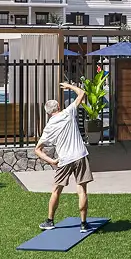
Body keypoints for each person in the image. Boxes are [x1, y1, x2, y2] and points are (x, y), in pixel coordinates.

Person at [34, 81, 93, 230]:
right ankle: (84, 224)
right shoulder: (68, 112)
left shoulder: (49, 127)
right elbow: (82, 93)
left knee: (56, 190)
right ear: (59, 107)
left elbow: (37, 149)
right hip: (80, 155)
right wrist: (69, 86)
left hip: (64, 159)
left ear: (48, 113)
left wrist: (52, 161)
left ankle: (50, 221)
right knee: (82, 190)